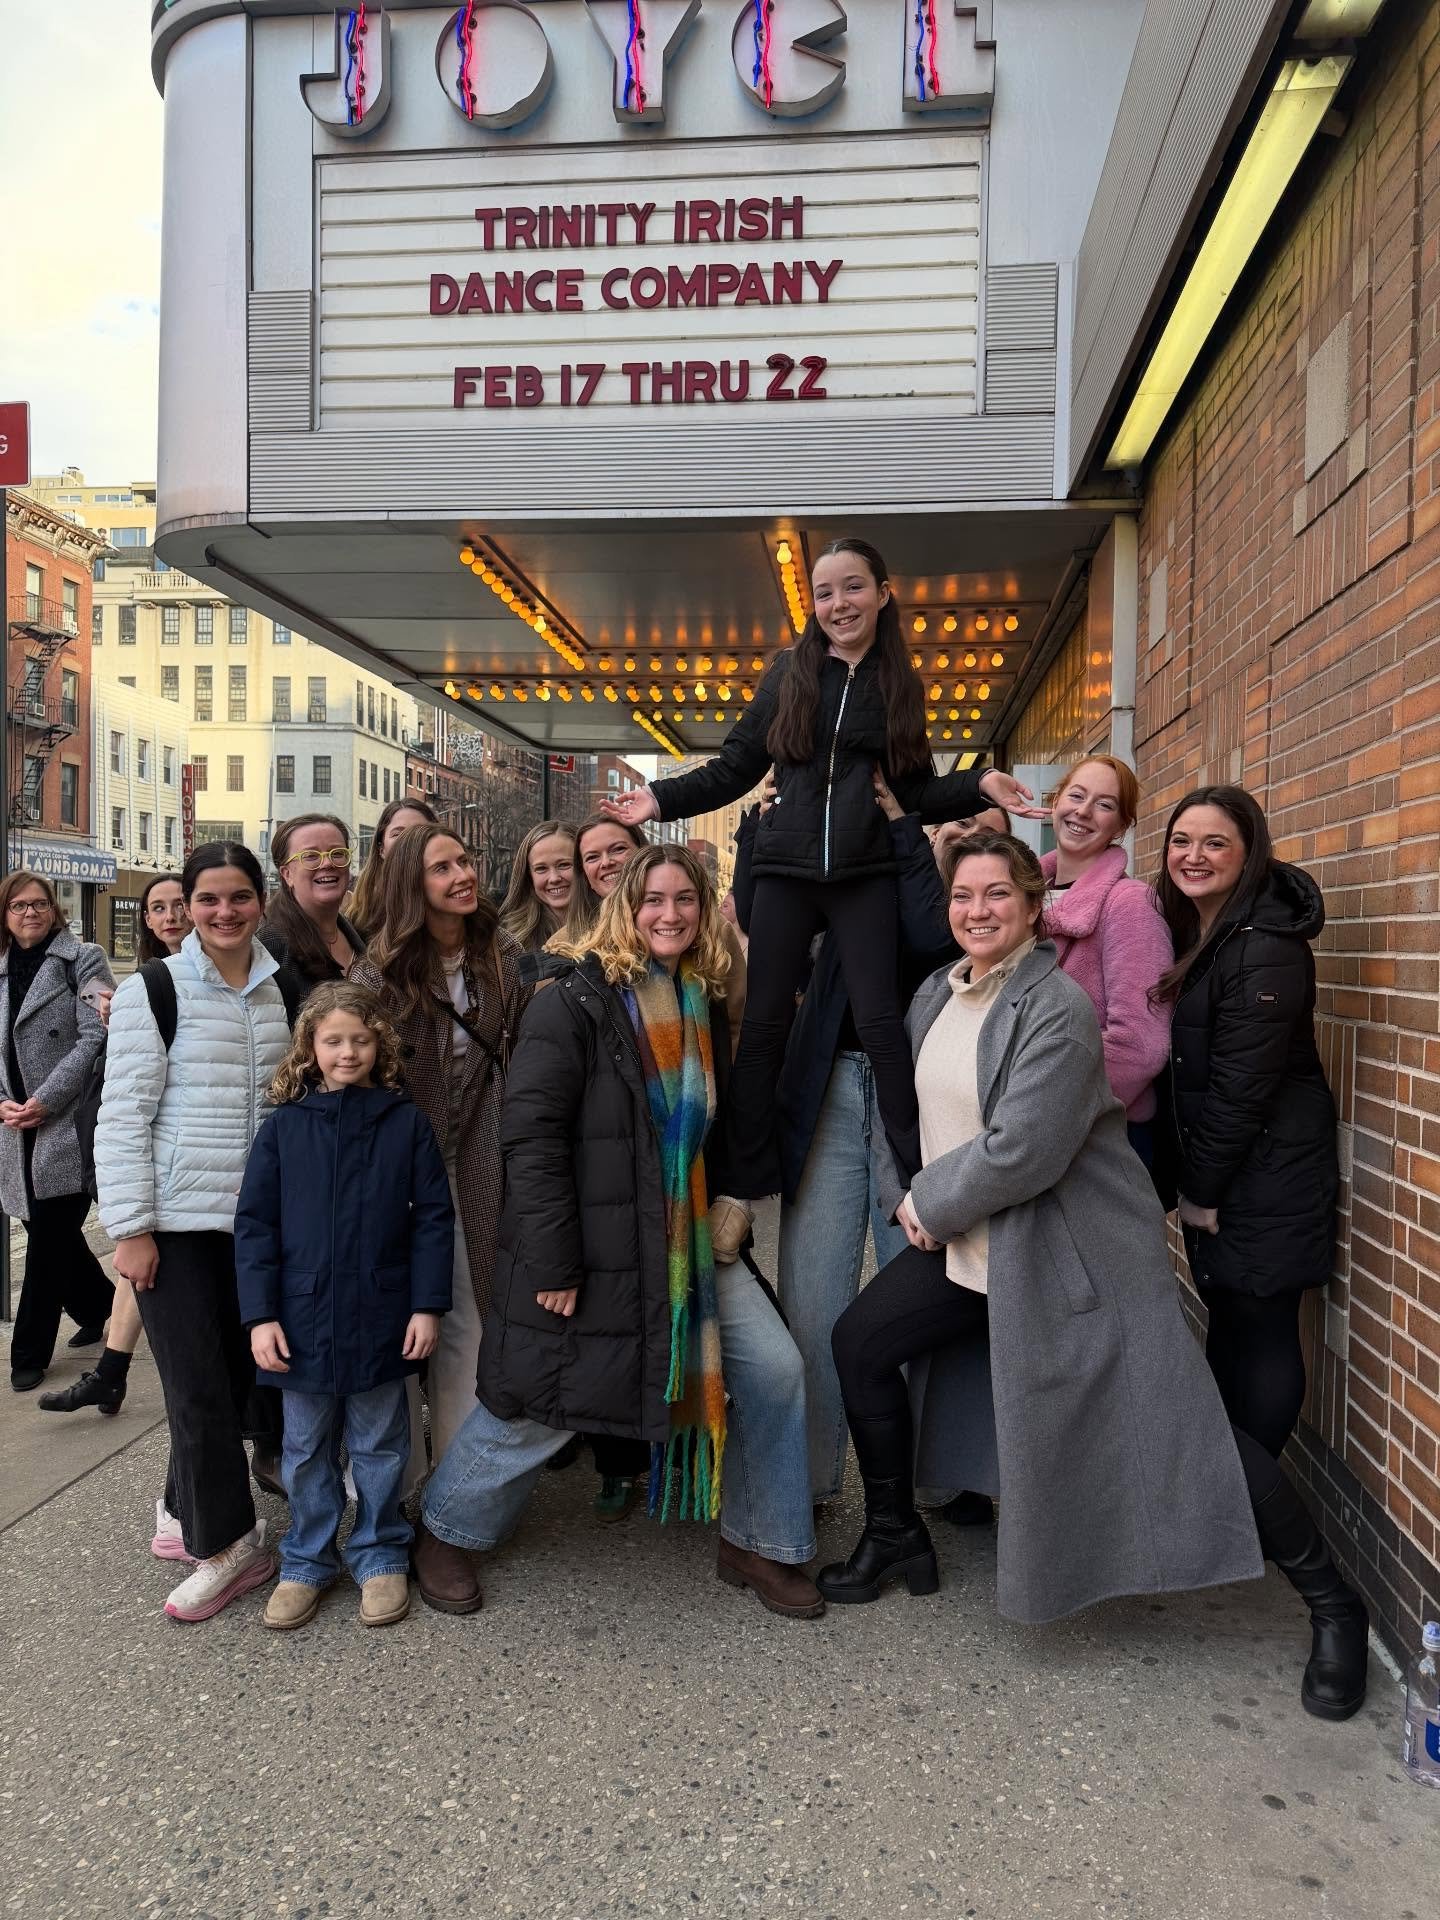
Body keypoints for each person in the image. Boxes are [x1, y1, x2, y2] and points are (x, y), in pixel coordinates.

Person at [822, 831, 1366, 1719]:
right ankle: (893, 1533)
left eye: (998, 894)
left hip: (1074, 1254)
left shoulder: (1057, 1006)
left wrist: (930, 1204)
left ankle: (1335, 1605)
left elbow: (1027, 1147)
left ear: (1034, 906)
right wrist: (903, 1200)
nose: (978, 911)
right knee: (861, 1344)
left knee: (1185, 1431)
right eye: (963, 896)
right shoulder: (936, 994)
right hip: (970, 1245)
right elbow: (903, 1116)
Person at [415, 845, 823, 1620]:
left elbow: (715, 1128)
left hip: (685, 1242)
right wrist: (554, 1261)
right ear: (624, 909)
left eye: (685, 900)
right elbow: (531, 1138)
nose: (670, 914)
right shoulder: (573, 1000)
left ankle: (759, 1540)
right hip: (593, 1247)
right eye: (652, 900)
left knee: (775, 1370)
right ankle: (446, 1529)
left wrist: (734, 1198)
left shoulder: (698, 997)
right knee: (541, 1403)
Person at [602, 537, 1037, 1262]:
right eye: (825, 593)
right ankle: (739, 1187)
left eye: (853, 587)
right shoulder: (790, 671)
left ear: (883, 594)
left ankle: (918, 1175)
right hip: (786, 868)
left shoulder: (898, 683)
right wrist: (658, 798)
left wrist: (980, 784)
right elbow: (738, 764)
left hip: (864, 872)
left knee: (882, 1024)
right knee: (765, 1025)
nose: (839, 604)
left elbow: (917, 789)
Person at [95, 843, 292, 1621]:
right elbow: (123, 1117)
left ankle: (184, 1508)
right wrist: (131, 1229)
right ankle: (230, 1546)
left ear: (261, 901)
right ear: (186, 905)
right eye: (208, 899)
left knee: (238, 1380)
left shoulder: (283, 990)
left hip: (260, 1225)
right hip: (176, 1225)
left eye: (238, 896)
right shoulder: (153, 990)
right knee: (195, 1387)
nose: (223, 912)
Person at [234, 982, 454, 1631]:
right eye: (334, 1041)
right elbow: (255, 1227)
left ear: (380, 1045)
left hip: (382, 1315)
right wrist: (260, 1316)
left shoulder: (405, 1124)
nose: (348, 1052)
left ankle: (380, 1550)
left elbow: (432, 1221)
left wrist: (427, 1306)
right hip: (299, 1320)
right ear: (310, 1047)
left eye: (360, 1039)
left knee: (381, 1443)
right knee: (304, 1447)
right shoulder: (283, 1128)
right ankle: (307, 1559)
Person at [1155, 787, 1342, 1461]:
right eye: (1182, 841)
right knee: (1232, 1324)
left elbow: (1242, 1088)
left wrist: (1200, 1190)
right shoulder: (1208, 933)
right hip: (1243, 1168)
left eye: (1215, 843)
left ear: (1248, 852)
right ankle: (1229, 1496)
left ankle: (1256, 1501)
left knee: (1261, 1330)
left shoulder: (1264, 947)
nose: (1194, 856)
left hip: (1267, 1175)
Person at [352, 825, 530, 1467]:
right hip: (399, 1161)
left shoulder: (501, 951)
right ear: (411, 884)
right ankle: (393, 1483)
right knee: (396, 1319)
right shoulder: (378, 972)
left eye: (464, 861)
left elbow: (519, 1046)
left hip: (481, 1148)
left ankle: (459, 1485)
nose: (463, 876)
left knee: (469, 1313)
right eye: (442, 868)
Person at [39, 875, 191, 1417]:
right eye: (159, 908)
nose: (172, 916)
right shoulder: (145, 980)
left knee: (146, 1265)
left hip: (192, 1148)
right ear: (147, 920)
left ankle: (112, 1372)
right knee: (138, 1258)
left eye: (180, 904)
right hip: (151, 1138)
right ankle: (110, 1372)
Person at [1, 870, 115, 1392]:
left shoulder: (82, 959)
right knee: (53, 1234)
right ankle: (99, 1307)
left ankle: (28, 1352)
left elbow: (95, 1037)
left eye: (39, 904)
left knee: (47, 1243)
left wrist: (45, 1100)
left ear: (54, 909)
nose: (30, 913)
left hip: (66, 1123)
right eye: (19, 905)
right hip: (13, 1127)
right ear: (5, 915)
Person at [1039, 756, 1173, 1162]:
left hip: (1100, 1133)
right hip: (1032, 1125)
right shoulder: (1023, 897)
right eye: (1076, 796)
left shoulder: (1130, 904)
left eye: (1104, 804)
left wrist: (1043, 1110)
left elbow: (1140, 1045)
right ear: (1056, 801)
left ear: (1121, 825)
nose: (1083, 811)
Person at [261, 813, 366, 994]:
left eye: (338, 853)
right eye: (310, 856)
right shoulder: (271, 947)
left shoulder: (360, 934)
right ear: (287, 874)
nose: (327, 863)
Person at [348, 797, 439, 942]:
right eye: (397, 834)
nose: (408, 841)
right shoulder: (359, 919)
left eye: (419, 832)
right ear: (381, 849)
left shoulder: (454, 905)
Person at [499, 820, 576, 952]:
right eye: (541, 868)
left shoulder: (610, 928)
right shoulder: (508, 941)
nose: (554, 878)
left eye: (564, 865)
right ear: (529, 876)